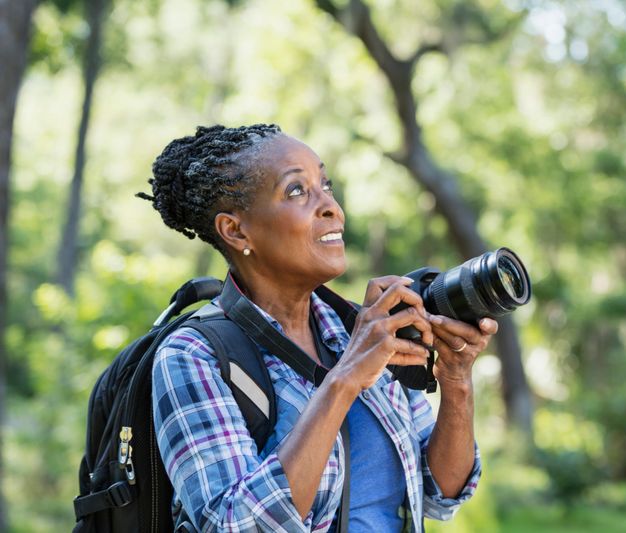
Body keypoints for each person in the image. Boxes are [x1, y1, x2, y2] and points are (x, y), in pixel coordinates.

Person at [139, 124, 498, 532]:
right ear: (236, 230)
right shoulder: (193, 356)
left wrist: (455, 379)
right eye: (297, 191)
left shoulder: (360, 328)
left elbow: (440, 491)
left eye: (325, 186)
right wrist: (344, 379)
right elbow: (236, 525)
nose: (332, 208)